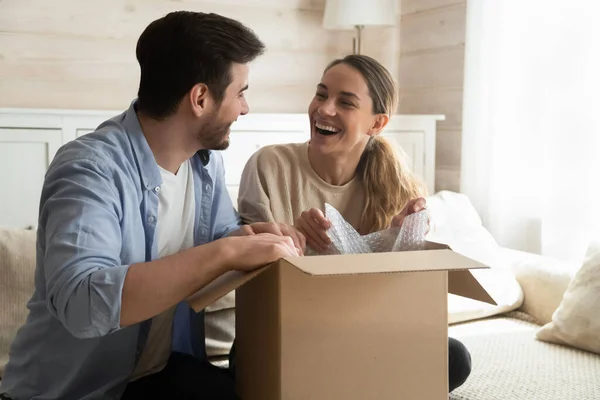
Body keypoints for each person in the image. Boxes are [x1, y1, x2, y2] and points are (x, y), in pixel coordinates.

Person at [0, 11, 305, 400]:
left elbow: (210, 245)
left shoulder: (205, 163)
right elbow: (82, 303)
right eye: (240, 92)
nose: (245, 108)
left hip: (156, 374)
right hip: (73, 391)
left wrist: (245, 238)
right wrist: (226, 250)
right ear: (200, 98)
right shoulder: (90, 169)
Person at [235, 54, 472, 393]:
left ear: (376, 124)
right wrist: (294, 239)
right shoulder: (269, 165)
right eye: (321, 94)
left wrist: (400, 237)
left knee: (454, 357)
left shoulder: (395, 185)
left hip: (365, 332)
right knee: (247, 358)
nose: (324, 109)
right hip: (289, 330)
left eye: (345, 102)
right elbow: (252, 280)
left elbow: (400, 302)